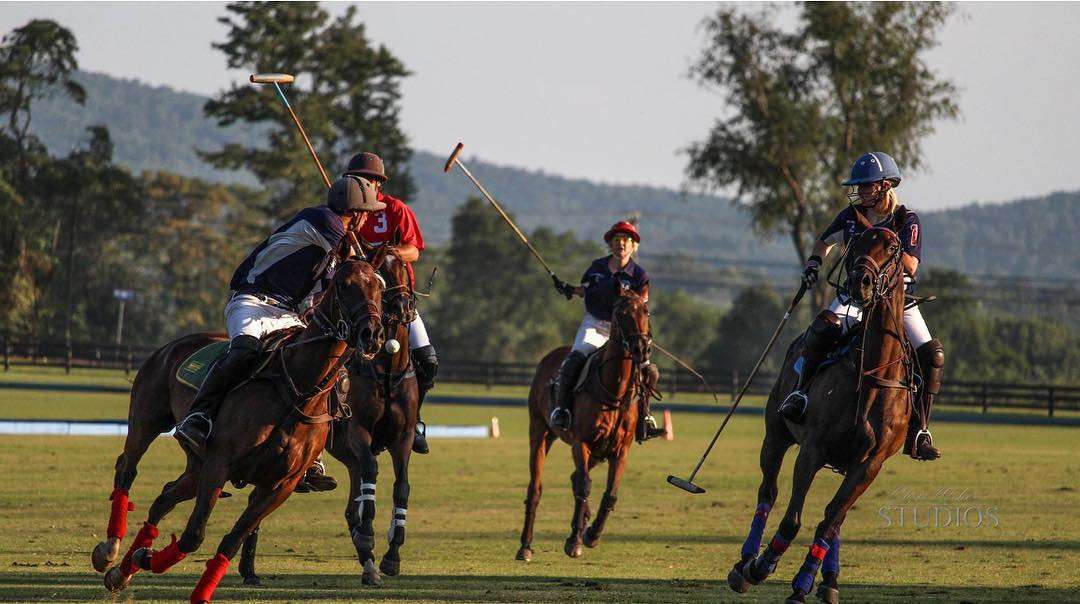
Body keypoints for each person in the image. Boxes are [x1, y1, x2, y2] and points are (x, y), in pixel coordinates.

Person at [174, 174, 385, 490]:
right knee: (244, 351)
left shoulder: (337, 237)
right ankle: (199, 417)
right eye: (366, 212)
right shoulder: (324, 221)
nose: (368, 217)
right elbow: (351, 268)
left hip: (288, 312)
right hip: (253, 300)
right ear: (353, 212)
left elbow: (338, 286)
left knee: (319, 364)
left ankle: (307, 454)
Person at [778, 152, 945, 461]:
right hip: (854, 297)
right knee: (821, 328)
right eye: (860, 187)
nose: (861, 192)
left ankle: (919, 430)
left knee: (932, 355)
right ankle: (800, 394)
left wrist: (882, 244)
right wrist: (814, 263)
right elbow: (824, 242)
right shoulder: (851, 216)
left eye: (866, 186)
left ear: (884, 186)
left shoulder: (906, 220)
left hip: (898, 304)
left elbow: (911, 264)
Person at [344, 152, 437, 455]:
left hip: (396, 302)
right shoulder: (348, 212)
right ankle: (334, 418)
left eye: (368, 179)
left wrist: (389, 254)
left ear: (378, 183)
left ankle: (415, 421)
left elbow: (414, 250)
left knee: (427, 360)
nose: (364, 183)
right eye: (357, 178)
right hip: (360, 303)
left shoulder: (396, 209)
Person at [549, 220, 666, 441]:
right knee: (575, 359)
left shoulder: (639, 276)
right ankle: (562, 410)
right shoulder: (597, 268)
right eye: (616, 240)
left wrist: (624, 294)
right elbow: (585, 290)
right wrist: (568, 289)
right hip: (595, 324)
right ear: (610, 245)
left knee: (648, 371)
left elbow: (641, 305)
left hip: (624, 330)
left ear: (633, 247)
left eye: (626, 240)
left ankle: (645, 417)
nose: (621, 244)